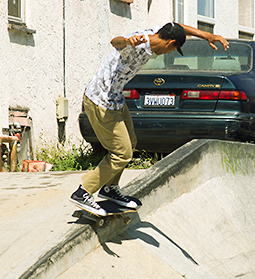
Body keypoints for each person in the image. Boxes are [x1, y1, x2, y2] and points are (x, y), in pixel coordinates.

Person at [70, 22, 229, 216]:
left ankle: (109, 188)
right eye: (172, 49)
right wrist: (128, 42)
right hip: (101, 101)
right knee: (122, 153)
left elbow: (179, 26)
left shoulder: (157, 33)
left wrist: (206, 36)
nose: (169, 53)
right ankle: (83, 192)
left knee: (131, 142)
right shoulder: (138, 46)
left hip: (116, 99)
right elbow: (116, 42)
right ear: (170, 42)